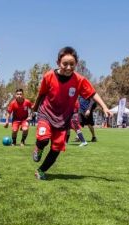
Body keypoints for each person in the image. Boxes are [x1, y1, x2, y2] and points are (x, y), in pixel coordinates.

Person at [32, 46, 111, 180]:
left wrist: (104, 106)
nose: (68, 67)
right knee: (43, 139)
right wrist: (35, 107)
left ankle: (41, 170)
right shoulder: (49, 76)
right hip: (46, 113)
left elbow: (92, 93)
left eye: (72, 64)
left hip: (63, 119)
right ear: (58, 63)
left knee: (56, 148)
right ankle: (38, 149)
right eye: (65, 64)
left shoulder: (79, 80)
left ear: (76, 64)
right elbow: (42, 93)